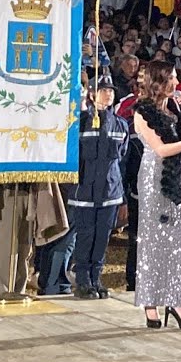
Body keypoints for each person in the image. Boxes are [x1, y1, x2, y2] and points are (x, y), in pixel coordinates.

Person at [132, 62, 181, 329]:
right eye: (172, 78)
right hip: (155, 178)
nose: (177, 83)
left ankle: (177, 301)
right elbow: (162, 149)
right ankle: (151, 302)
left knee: (179, 240)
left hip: (179, 177)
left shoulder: (176, 109)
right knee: (153, 240)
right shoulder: (142, 112)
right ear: (159, 81)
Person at [66, 76, 128, 300]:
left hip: (109, 191)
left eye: (111, 90)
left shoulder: (120, 124)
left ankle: (96, 278)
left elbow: (122, 158)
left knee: (102, 236)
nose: (108, 94)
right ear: (92, 94)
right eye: (103, 90)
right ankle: (82, 279)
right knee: (85, 236)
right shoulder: (80, 122)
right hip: (84, 190)